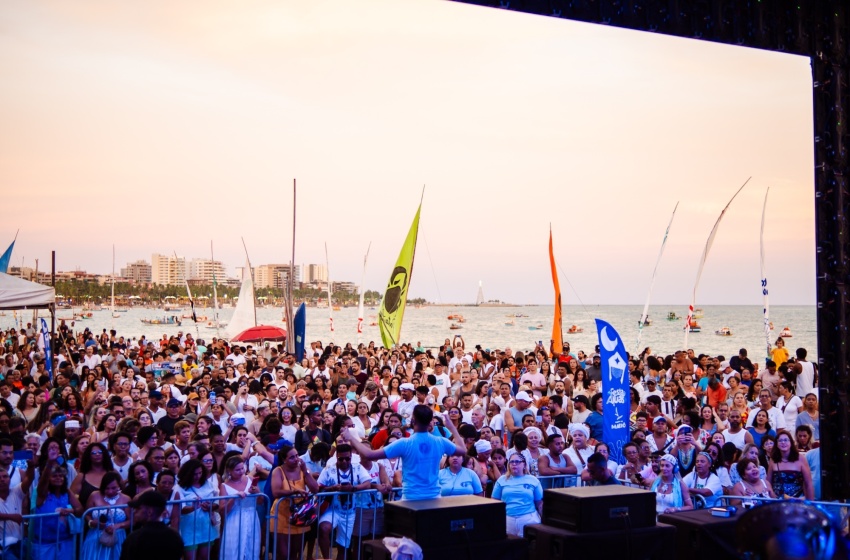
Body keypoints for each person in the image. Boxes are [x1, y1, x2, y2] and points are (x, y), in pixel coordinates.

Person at [343, 405, 466, 500]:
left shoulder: (404, 443)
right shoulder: (440, 441)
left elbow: (369, 455)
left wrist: (351, 438)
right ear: (430, 422)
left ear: (413, 420)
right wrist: (452, 428)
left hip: (411, 498)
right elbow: (463, 450)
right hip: (434, 497)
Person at [316, 444, 372, 560]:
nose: (344, 461)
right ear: (336, 457)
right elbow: (318, 487)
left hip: (349, 512)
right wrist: (332, 488)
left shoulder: (357, 467)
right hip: (332, 509)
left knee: (343, 547)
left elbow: (367, 483)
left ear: (351, 457)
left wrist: (353, 488)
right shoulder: (328, 469)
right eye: (341, 459)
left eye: (348, 458)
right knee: (323, 528)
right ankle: (327, 558)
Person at [269, 445, 320, 560]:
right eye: (292, 457)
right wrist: (293, 491)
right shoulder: (278, 471)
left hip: (299, 516)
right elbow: (276, 492)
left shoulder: (302, 470)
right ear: (284, 459)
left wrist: (305, 472)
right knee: (283, 554)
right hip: (281, 515)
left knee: (294, 554)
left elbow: (315, 489)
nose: (296, 459)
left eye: (297, 456)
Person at [32, 462, 83, 560]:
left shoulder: (67, 492)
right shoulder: (42, 494)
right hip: (44, 543)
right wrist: (49, 464)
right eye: (54, 476)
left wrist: (71, 511)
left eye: (61, 476)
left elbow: (80, 509)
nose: (58, 478)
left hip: (65, 540)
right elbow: (42, 484)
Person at [120, 490, 184, 560]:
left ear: (150, 512)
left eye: (138, 508)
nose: (135, 511)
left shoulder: (135, 538)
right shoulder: (175, 537)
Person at [81, 472, 131, 560]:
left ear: (119, 486)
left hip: (117, 538)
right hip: (95, 536)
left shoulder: (126, 498)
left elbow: (132, 520)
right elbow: (86, 515)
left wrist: (117, 526)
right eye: (107, 488)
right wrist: (91, 522)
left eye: (114, 488)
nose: (110, 491)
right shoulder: (94, 495)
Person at [491, 452, 543, 537]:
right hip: (508, 518)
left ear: (524, 464)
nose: (514, 464)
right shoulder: (501, 480)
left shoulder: (533, 480)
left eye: (517, 462)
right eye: (511, 462)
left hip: (528, 518)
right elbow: (494, 502)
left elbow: (539, 503)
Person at [219, 455, 260, 560]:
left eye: (242, 468)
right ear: (229, 471)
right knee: (234, 549)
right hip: (234, 519)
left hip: (252, 517)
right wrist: (234, 498)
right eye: (237, 470)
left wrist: (257, 492)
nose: (241, 471)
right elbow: (222, 510)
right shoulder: (224, 486)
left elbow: (261, 501)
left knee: (251, 547)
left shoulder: (250, 479)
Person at [177, 459, 220, 560]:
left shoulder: (208, 484)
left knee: (205, 557)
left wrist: (210, 506)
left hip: (207, 526)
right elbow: (181, 509)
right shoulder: (180, 487)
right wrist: (193, 507)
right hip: (189, 529)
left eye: (200, 473)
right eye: (194, 474)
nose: (198, 476)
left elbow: (217, 503)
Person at [767, 429, 814, 500]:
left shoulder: (801, 458)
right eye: (780, 440)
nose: (783, 442)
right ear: (776, 444)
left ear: (791, 442)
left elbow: (808, 483)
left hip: (798, 501)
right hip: (777, 501)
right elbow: (768, 482)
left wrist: (811, 503)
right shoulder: (773, 459)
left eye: (786, 440)